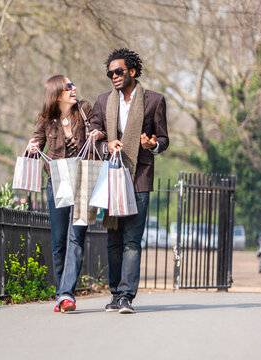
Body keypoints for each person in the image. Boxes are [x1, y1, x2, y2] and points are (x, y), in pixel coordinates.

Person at [89, 48, 169, 314]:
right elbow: (94, 136)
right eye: (110, 73)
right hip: (113, 176)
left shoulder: (154, 101)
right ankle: (114, 293)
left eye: (118, 71)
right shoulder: (102, 102)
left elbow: (164, 139)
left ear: (132, 72)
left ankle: (126, 296)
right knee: (113, 239)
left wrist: (153, 143)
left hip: (139, 177)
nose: (114, 76)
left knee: (132, 240)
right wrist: (106, 145)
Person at [28, 74, 95, 313]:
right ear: (57, 93)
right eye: (68, 86)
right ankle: (60, 294)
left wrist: (99, 135)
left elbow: (100, 129)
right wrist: (32, 146)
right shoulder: (46, 119)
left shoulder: (85, 110)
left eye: (73, 84)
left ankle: (67, 295)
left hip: (82, 181)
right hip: (57, 182)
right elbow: (36, 142)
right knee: (58, 242)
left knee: (76, 237)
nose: (74, 88)